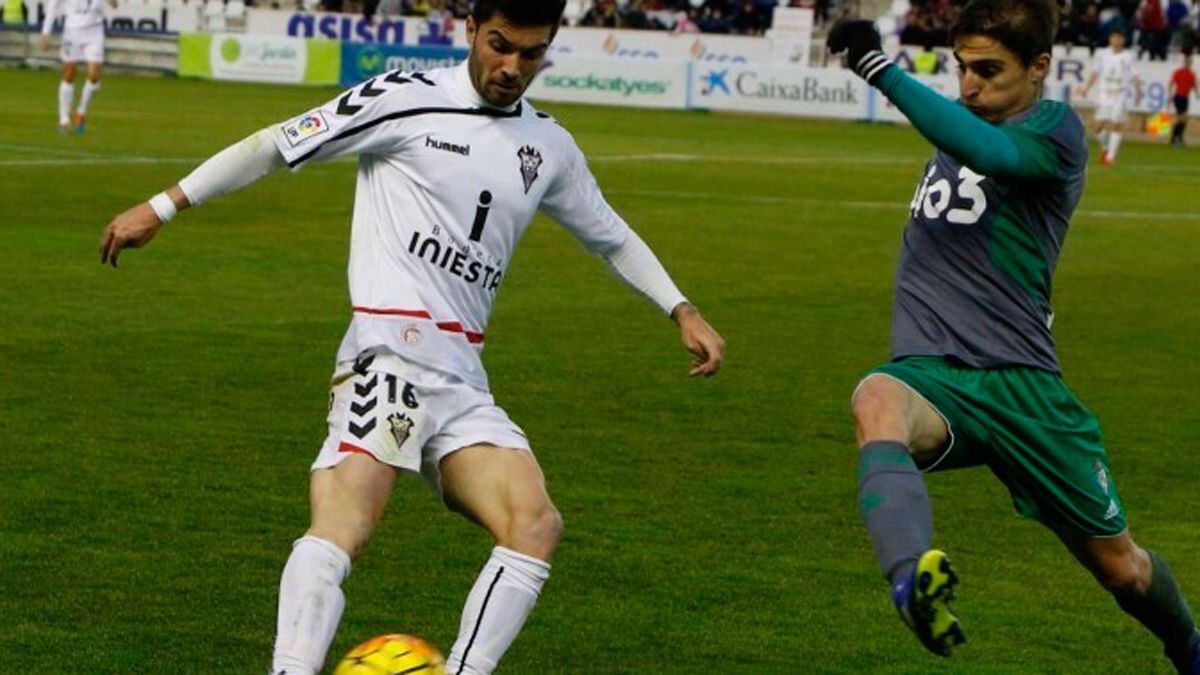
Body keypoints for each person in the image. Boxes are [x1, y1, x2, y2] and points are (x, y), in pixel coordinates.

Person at [97, 1, 726, 673]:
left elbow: (610, 234)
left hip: (461, 381)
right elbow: (279, 143)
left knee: (535, 524)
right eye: (499, 45)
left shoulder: (548, 147)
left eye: (531, 54)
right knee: (347, 524)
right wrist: (162, 206)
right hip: (387, 355)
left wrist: (680, 308)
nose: (512, 67)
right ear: (469, 31)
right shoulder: (404, 98)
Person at [828, 2, 1200, 671]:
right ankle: (913, 581)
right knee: (875, 400)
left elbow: (992, 153)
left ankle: (1189, 646)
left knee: (1123, 569)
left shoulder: (1055, 131)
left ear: (1039, 68)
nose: (969, 86)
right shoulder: (964, 117)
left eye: (989, 70)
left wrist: (881, 68)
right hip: (937, 377)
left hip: (1025, 386)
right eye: (961, 67)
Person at [39, 0, 117, 134]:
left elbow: (114, 4)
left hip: (95, 32)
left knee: (94, 76)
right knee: (68, 75)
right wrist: (46, 32)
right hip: (72, 32)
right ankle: (64, 119)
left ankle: (81, 112)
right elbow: (53, 5)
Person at [1079, 28, 1142, 164]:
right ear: (1110, 39)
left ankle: (1110, 157)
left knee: (1116, 125)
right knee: (1096, 126)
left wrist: (1138, 93)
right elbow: (1095, 72)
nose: (1116, 40)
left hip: (1120, 94)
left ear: (1123, 40)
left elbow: (1135, 75)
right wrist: (1086, 88)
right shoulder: (1102, 54)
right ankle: (1105, 147)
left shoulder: (1128, 56)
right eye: (1114, 37)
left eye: (1119, 38)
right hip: (1104, 94)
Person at [1168, 54, 1197, 147]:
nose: (1188, 64)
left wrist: (1197, 92)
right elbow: (1171, 83)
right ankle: (1175, 138)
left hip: (1185, 98)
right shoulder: (1178, 72)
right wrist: (1169, 95)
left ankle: (1177, 138)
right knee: (1183, 118)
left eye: (1189, 63)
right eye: (1186, 62)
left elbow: (1194, 85)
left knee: (1184, 119)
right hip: (1178, 97)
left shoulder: (1192, 74)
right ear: (1184, 63)